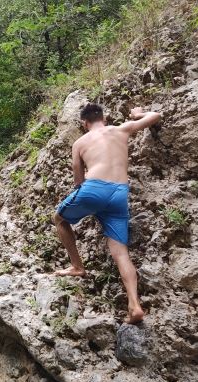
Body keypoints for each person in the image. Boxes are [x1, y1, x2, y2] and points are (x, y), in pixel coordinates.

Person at [53, 103, 160, 324]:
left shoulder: (80, 142)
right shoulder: (121, 129)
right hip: (120, 193)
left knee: (59, 219)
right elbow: (156, 115)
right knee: (120, 252)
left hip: (94, 188)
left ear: (84, 123)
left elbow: (78, 178)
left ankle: (77, 267)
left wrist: (85, 197)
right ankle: (134, 305)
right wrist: (138, 114)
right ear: (104, 117)